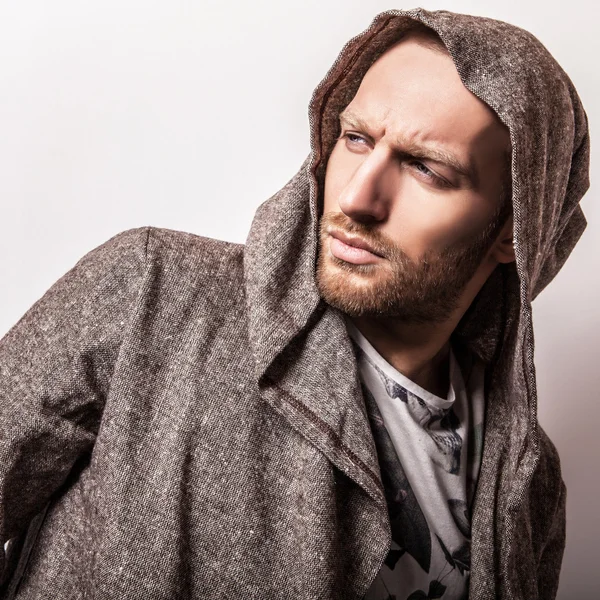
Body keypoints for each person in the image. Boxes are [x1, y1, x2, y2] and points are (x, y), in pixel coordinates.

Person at [0, 7, 589, 600]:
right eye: (355, 139)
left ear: (514, 230)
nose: (357, 197)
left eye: (425, 168)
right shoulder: (152, 293)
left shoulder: (526, 481)